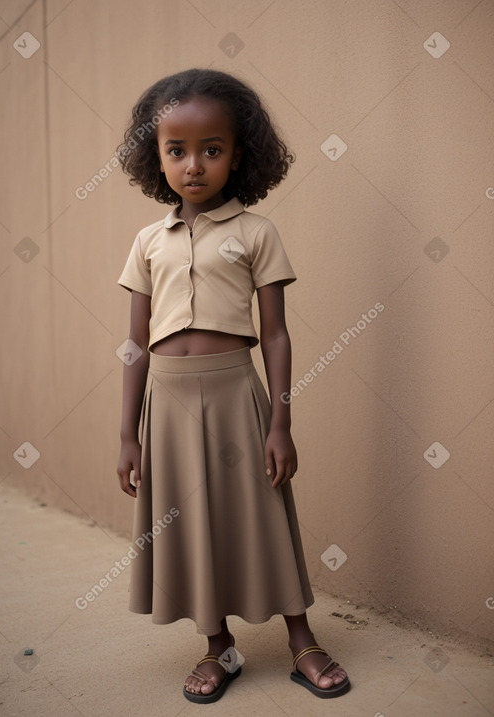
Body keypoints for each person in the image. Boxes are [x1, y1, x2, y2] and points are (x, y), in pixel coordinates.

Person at [116, 68, 350, 704]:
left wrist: (281, 421)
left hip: (235, 394)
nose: (194, 165)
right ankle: (219, 647)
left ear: (239, 155)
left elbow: (274, 335)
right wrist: (128, 436)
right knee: (187, 523)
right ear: (155, 155)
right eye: (177, 150)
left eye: (211, 150)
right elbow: (136, 343)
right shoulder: (146, 242)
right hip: (165, 404)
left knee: (265, 514)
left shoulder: (256, 233)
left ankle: (302, 640)